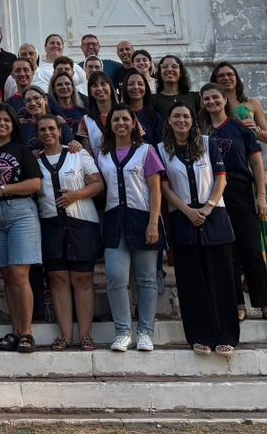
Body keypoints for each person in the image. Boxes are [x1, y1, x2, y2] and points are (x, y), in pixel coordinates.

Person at [200, 82, 267, 329]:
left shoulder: (241, 129)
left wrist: (260, 196)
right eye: (207, 99)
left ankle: (264, 305)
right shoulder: (202, 133)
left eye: (215, 97)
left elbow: (257, 164)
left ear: (224, 100)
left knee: (251, 250)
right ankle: (237, 304)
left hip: (240, 191)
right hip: (214, 195)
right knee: (226, 251)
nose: (212, 102)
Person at [157, 102, 240, 355]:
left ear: (192, 120)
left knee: (220, 278)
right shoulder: (160, 150)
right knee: (191, 282)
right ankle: (199, 335)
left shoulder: (208, 143)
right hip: (183, 217)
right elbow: (164, 187)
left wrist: (208, 207)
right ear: (169, 120)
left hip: (214, 215)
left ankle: (226, 336)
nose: (181, 120)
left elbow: (221, 178)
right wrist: (188, 211)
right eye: (176, 116)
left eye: (186, 116)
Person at [34, 112, 103, 352]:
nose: (48, 133)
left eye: (51, 128)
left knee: (82, 278)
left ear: (59, 130)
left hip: (81, 223)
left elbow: (98, 183)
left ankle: (85, 335)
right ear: (37, 134)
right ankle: (65, 335)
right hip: (51, 224)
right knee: (58, 279)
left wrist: (76, 195)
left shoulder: (77, 154)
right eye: (42, 129)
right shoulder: (35, 160)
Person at [96, 106, 164, 352]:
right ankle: (123, 332)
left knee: (146, 278)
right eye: (116, 119)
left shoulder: (146, 151)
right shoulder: (102, 155)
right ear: (110, 124)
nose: (121, 123)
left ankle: (145, 332)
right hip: (114, 219)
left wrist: (153, 222)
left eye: (126, 118)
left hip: (142, 217)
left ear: (134, 123)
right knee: (115, 277)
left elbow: (155, 189)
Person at [0, 104, 43, 352]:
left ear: (13, 124)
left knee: (19, 274)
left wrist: (2, 190)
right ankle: (15, 331)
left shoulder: (21, 150)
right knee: (6, 277)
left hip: (20, 212)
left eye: (6, 120)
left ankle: (27, 332)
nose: (2, 124)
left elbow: (35, 184)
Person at [212, 61, 267, 145]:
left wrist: (255, 129)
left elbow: (266, 138)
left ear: (236, 78)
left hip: (248, 151)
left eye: (230, 74)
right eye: (221, 76)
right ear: (215, 80)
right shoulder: (211, 107)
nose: (226, 78)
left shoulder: (252, 104)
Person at [152, 55, 200, 119]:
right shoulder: (152, 100)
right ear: (160, 73)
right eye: (165, 67)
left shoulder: (195, 98)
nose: (169, 69)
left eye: (174, 66)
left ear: (181, 73)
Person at [123, 71, 163, 145]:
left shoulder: (154, 116)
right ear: (125, 88)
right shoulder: (119, 115)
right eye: (131, 84)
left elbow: (159, 145)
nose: (136, 87)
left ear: (146, 88)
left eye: (140, 84)